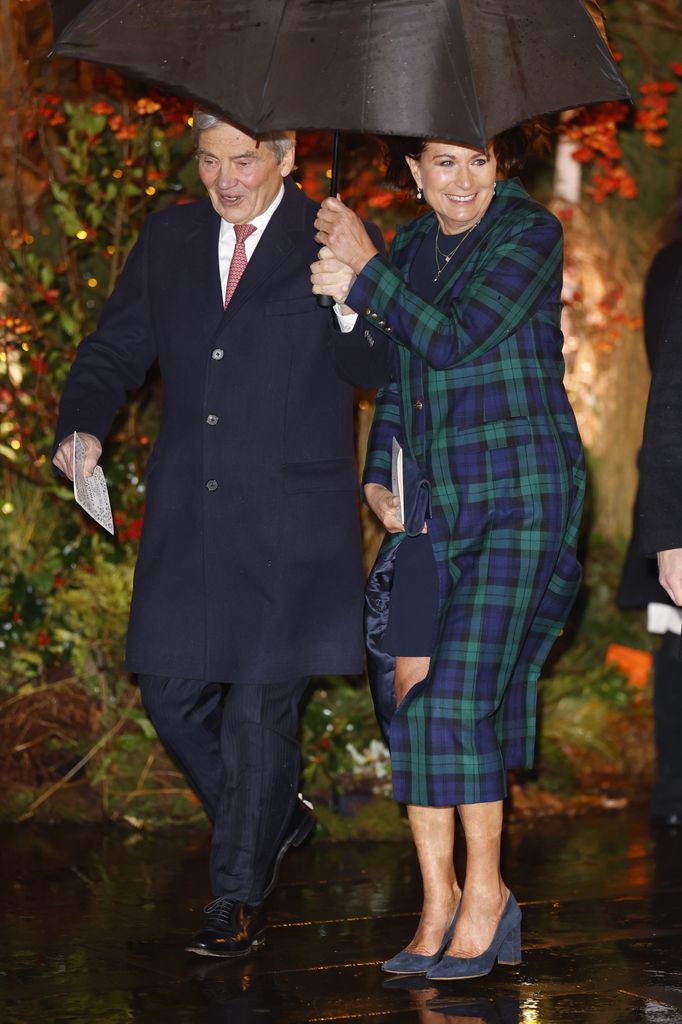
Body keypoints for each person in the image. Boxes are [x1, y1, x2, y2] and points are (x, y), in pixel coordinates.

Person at [52, 112, 388, 958]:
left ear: (286, 156)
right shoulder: (169, 238)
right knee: (169, 695)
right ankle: (275, 818)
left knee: (259, 712)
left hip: (290, 521)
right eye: (209, 161)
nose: (224, 180)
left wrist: (354, 297)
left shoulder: (334, 234)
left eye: (243, 161)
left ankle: (237, 897)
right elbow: (116, 346)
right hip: (190, 516)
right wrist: (82, 425)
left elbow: (379, 368)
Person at [311, 131, 585, 980]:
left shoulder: (527, 233)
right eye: (443, 162)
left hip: (521, 499)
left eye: (479, 160)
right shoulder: (411, 248)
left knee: (453, 702)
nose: (463, 179)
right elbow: (400, 375)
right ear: (414, 172)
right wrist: (376, 473)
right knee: (414, 708)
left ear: (500, 167)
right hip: (431, 506)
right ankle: (438, 903)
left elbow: (459, 337)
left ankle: (488, 896)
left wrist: (366, 270)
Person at [635, 215, 682, 828]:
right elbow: (670, 393)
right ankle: (673, 793)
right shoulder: (674, 264)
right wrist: (671, 533)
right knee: (677, 649)